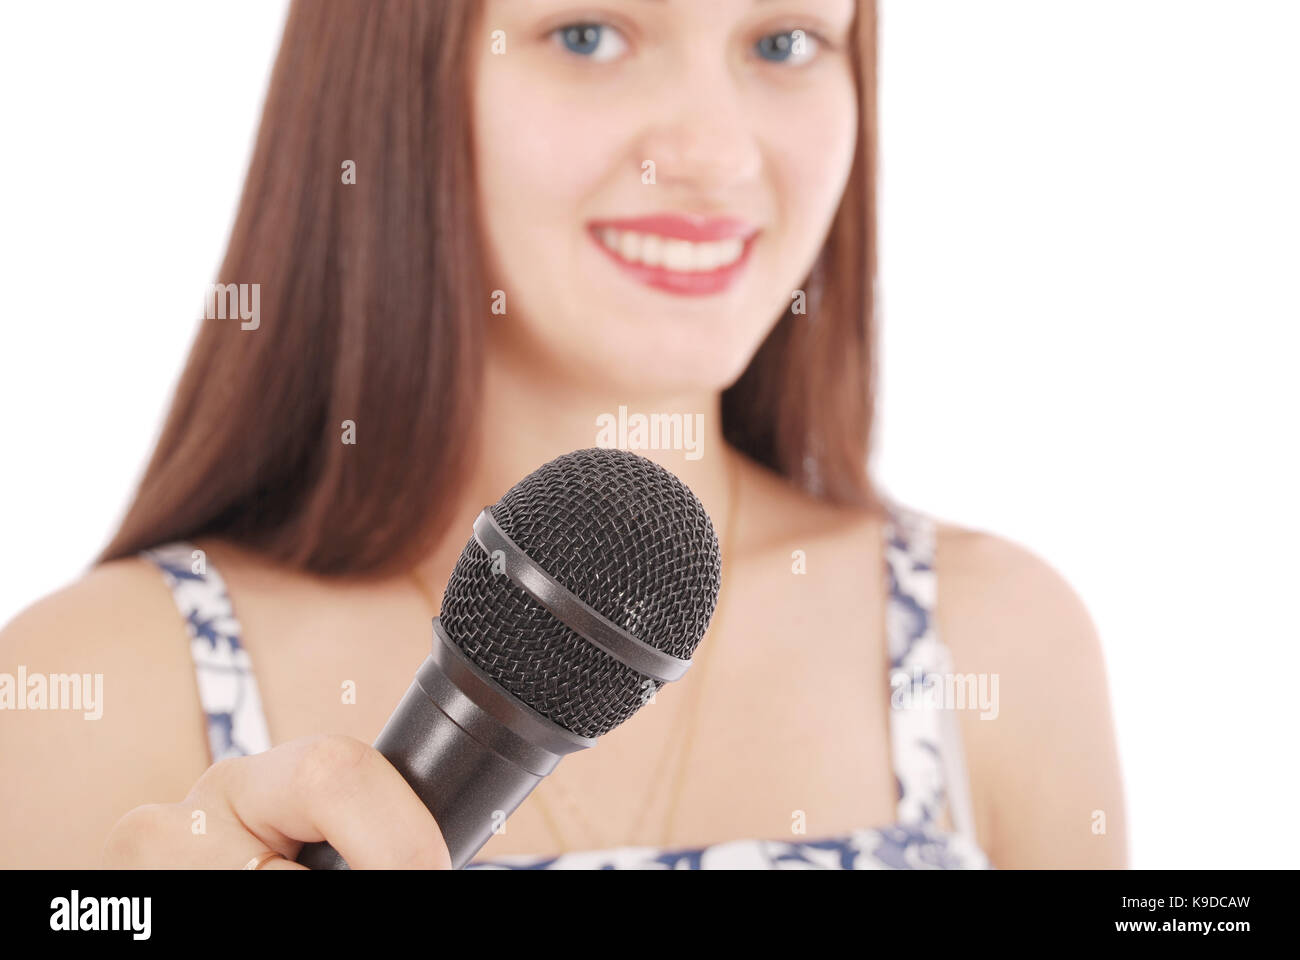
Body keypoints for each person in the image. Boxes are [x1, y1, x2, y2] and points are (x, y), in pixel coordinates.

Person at [0, 0, 1125, 869]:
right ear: (395, 71)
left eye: (783, 41)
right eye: (587, 33)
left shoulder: (995, 641)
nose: (713, 153)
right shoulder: (88, 686)